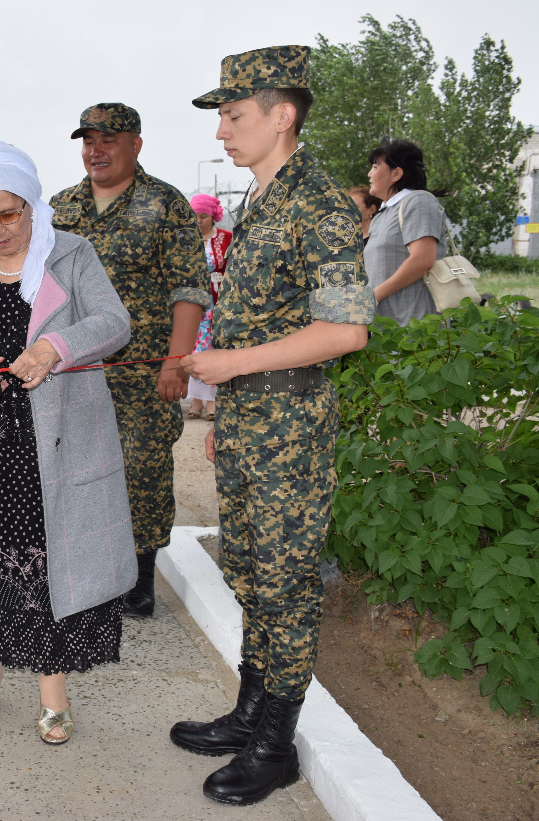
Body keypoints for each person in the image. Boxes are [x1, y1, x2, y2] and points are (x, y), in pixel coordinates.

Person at [176, 45, 374, 806]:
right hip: (256, 415)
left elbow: (344, 331)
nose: (223, 130)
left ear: (282, 115)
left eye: (235, 114)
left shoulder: (319, 204)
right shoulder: (259, 199)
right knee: (253, 570)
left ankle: (274, 745)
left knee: (286, 584)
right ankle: (251, 710)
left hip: (290, 418)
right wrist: (232, 394)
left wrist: (231, 365)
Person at [0, 142, 136, 746]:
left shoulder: (70, 255)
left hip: (64, 440)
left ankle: (53, 690)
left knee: (53, 559)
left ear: (31, 204)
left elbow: (113, 322)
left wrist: (56, 348)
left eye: (9, 214)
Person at [50, 103, 210, 619]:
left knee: (139, 469)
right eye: (88, 140)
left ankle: (138, 576)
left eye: (108, 140)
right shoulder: (58, 208)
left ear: (135, 144)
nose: (95, 151)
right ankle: (85, 569)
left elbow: (189, 287)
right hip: (71, 368)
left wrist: (175, 362)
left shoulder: (165, 205)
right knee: (74, 467)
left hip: (141, 371)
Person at [364, 139, 447, 325]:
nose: (369, 174)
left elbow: (422, 260)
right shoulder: (384, 213)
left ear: (396, 173)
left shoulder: (417, 201)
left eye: (375, 167)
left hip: (413, 323)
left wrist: (375, 296)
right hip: (387, 324)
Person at [184, 194, 232, 421]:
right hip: (195, 307)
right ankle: (196, 400)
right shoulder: (186, 240)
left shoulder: (227, 239)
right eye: (195, 216)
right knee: (194, 353)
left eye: (203, 216)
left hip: (219, 306)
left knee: (214, 350)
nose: (199, 220)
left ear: (213, 216)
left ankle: (212, 401)